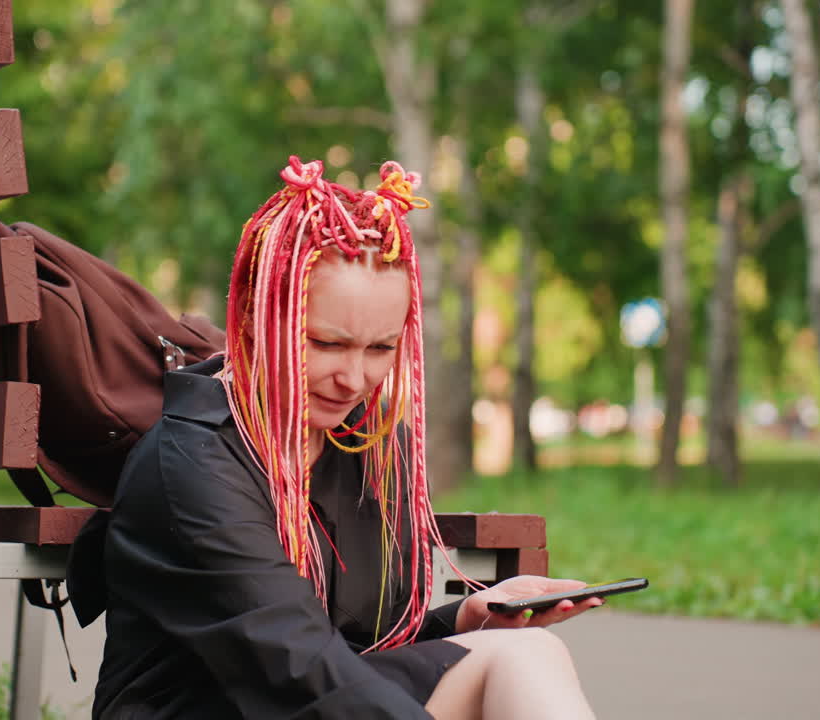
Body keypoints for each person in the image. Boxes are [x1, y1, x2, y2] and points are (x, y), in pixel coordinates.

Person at [69, 157, 601, 719]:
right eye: (326, 343)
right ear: (252, 318)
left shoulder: (369, 445)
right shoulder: (192, 464)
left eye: (380, 348)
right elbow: (301, 671)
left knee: (526, 651)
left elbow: (363, 648)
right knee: (519, 661)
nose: (354, 379)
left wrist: (468, 619)